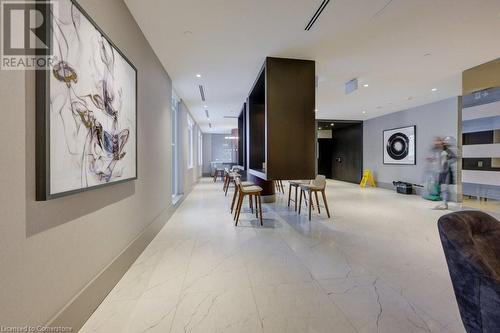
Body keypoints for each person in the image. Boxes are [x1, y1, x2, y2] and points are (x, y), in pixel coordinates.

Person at [432, 137, 457, 210]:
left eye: (438, 142)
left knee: (445, 188)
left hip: (446, 172)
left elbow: (455, 158)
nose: (436, 144)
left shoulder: (447, 150)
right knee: (442, 188)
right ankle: (444, 202)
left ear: (441, 142)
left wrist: (448, 162)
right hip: (439, 172)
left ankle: (445, 203)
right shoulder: (437, 151)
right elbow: (436, 160)